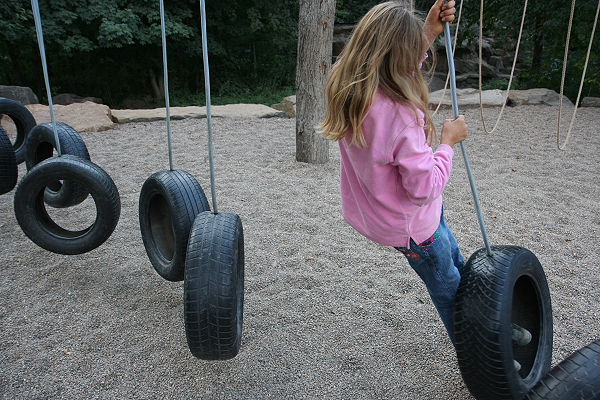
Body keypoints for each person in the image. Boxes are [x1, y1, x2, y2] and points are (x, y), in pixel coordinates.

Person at [321, 0, 468, 342]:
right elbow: (425, 188)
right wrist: (447, 144)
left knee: (455, 261)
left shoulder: (347, 85)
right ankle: (480, 355)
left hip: (399, 219)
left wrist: (428, 32)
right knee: (449, 289)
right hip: (415, 228)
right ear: (399, 60)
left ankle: (487, 310)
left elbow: (388, 66)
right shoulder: (401, 116)